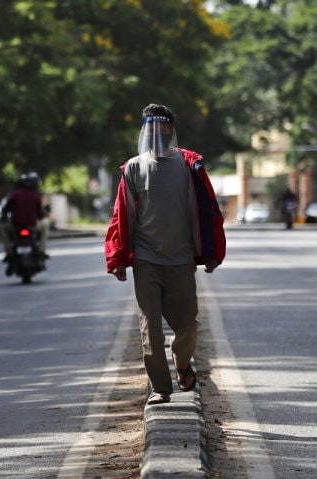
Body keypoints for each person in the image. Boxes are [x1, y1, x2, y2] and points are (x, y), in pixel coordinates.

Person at [105, 104, 226, 405]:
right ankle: (161, 388)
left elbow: (208, 212)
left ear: (171, 131)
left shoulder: (188, 166)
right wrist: (118, 258)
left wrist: (211, 252)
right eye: (151, 129)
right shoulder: (133, 167)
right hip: (147, 262)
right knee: (151, 332)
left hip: (182, 260)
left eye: (163, 128)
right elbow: (122, 217)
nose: (157, 134)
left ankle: (182, 364)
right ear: (145, 132)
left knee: (188, 325)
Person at [0, 172, 49, 275]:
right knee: (46, 224)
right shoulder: (35, 196)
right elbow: (40, 214)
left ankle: (9, 252)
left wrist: (3, 218)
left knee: (2, 227)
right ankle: (41, 249)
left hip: (15, 226)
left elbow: (6, 209)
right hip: (32, 225)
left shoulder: (14, 195)